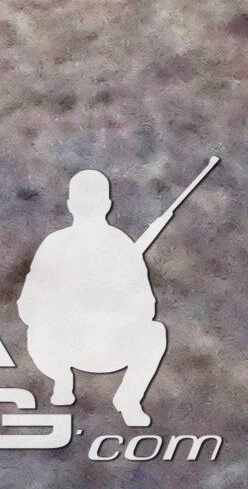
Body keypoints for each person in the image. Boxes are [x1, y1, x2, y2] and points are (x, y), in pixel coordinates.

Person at [22, 171, 169, 428]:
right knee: (38, 331)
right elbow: (29, 307)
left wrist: (110, 306)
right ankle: (62, 380)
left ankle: (129, 398)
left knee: (155, 333)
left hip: (111, 345)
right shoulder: (55, 245)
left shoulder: (122, 247)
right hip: (63, 347)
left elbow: (146, 307)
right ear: (107, 205)